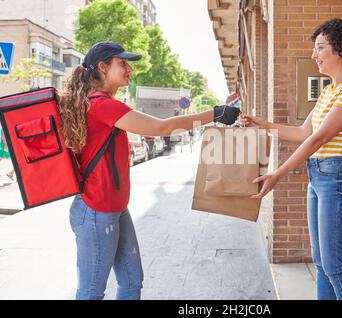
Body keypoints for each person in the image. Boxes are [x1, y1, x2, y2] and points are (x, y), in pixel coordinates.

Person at [59, 41, 240, 300]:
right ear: (102, 67)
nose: (129, 69)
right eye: (122, 63)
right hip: (96, 211)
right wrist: (214, 114)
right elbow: (163, 128)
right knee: (90, 293)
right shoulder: (102, 104)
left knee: (132, 283)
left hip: (115, 209)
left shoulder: (101, 103)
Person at [242, 19, 342, 300]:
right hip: (318, 176)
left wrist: (278, 173)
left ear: (340, 49)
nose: (313, 55)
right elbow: (302, 132)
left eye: (320, 48)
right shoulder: (329, 92)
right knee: (320, 262)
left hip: (337, 176)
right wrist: (261, 124)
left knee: (334, 265)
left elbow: (318, 138)